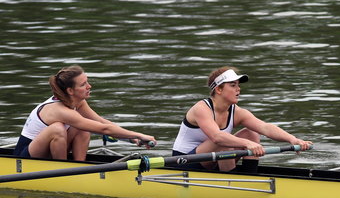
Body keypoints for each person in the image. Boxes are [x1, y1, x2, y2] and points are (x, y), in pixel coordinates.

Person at [172, 66, 312, 171]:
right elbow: (217, 137)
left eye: (238, 85)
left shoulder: (237, 112)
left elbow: (265, 127)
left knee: (251, 133)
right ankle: (231, 184)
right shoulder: (201, 108)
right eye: (233, 85)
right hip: (184, 162)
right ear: (219, 90)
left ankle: (249, 176)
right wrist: (247, 144)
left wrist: (292, 139)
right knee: (224, 141)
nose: (238, 89)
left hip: (212, 159)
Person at [14, 65, 156, 161]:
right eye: (83, 85)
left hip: (48, 151)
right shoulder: (58, 110)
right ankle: (62, 172)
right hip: (25, 156)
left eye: (87, 82)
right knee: (57, 128)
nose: (89, 86)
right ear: (70, 91)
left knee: (83, 127)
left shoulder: (78, 102)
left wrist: (132, 139)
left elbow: (102, 123)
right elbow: (104, 130)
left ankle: (79, 169)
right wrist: (139, 134)